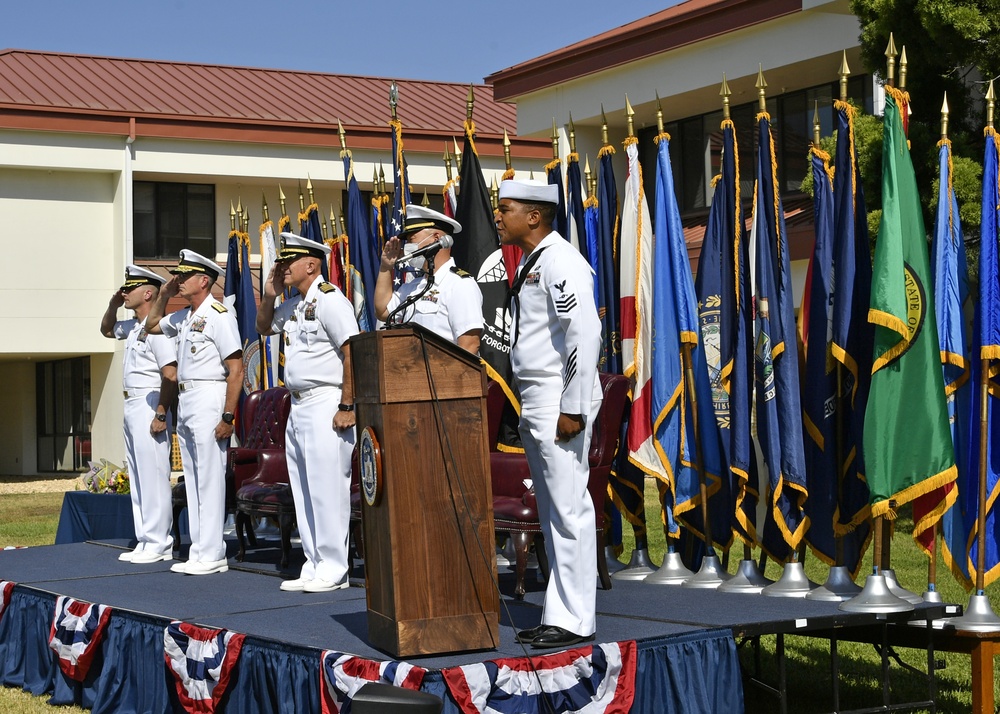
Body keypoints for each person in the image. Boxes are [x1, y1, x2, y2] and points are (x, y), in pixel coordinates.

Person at [495, 179, 603, 649]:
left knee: (569, 509)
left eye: (506, 209)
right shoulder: (537, 261)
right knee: (553, 512)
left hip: (559, 397)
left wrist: (573, 407)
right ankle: (559, 611)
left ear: (534, 215)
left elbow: (583, 332)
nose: (498, 217)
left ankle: (576, 618)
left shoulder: (562, 261)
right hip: (537, 395)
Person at [256, 232, 359, 593]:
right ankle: (314, 561)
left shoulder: (331, 301)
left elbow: (352, 353)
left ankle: (334, 567)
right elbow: (263, 326)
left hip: (326, 402)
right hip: (298, 404)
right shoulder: (296, 304)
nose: (282, 267)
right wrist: (269, 294)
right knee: (303, 487)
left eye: (290, 261)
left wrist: (348, 405)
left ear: (312, 264)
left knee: (327, 487)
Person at [145, 249, 243, 576]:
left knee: (210, 476)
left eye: (185, 276)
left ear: (204, 280)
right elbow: (152, 324)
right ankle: (199, 548)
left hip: (209, 394)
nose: (179, 280)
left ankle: (214, 551)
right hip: (187, 399)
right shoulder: (185, 316)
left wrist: (228, 416)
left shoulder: (219, 314)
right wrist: (164, 294)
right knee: (194, 477)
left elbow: (236, 368)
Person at [100, 265, 178, 564]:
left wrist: (161, 413)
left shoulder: (157, 328)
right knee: (138, 473)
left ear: (148, 293)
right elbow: (107, 330)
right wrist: (112, 305)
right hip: (131, 403)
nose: (125, 293)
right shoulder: (132, 327)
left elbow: (170, 374)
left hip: (150, 402)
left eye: (130, 289)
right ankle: (146, 538)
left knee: (154, 474)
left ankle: (161, 541)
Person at [374, 204, 483, 353]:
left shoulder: (460, 285)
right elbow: (383, 311)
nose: (407, 247)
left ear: (436, 239)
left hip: (443, 374)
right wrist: (385, 268)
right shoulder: (414, 286)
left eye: (412, 240)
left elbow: (470, 344)